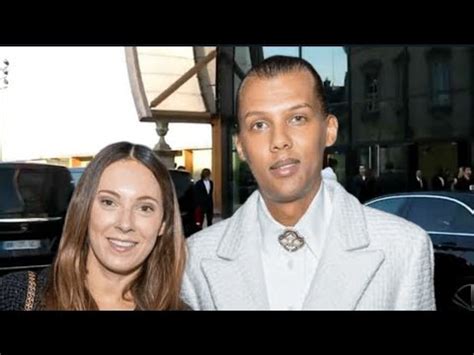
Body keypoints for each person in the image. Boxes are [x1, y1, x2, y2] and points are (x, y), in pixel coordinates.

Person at [181, 55, 435, 310]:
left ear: (329, 130)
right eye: (259, 124)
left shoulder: (405, 249)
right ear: (241, 146)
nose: (279, 140)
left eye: (297, 118)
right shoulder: (196, 258)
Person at [0, 142, 187, 310]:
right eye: (109, 202)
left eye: (145, 208)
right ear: (85, 209)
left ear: (163, 223)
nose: (125, 224)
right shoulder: (18, 296)